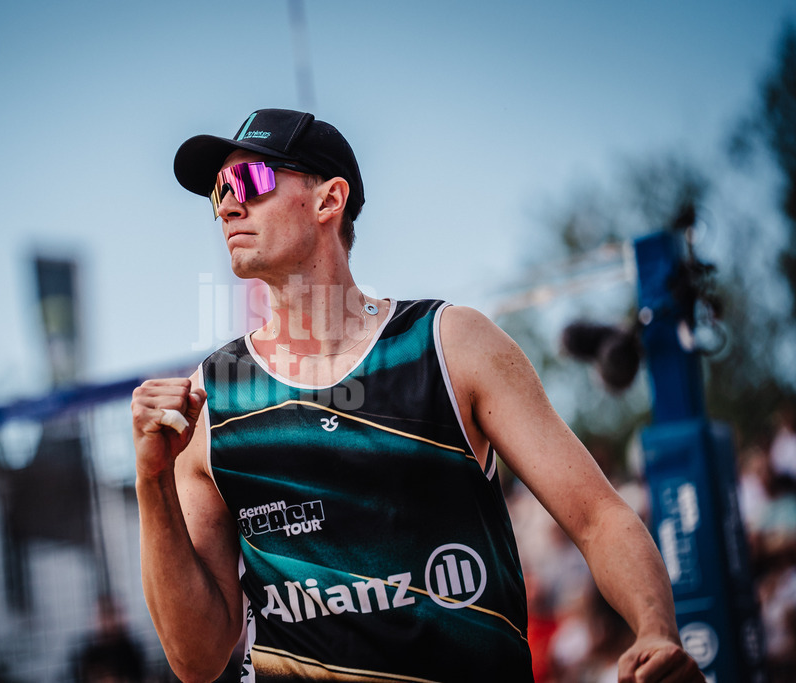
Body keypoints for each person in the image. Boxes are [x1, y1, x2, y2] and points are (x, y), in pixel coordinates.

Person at [131, 108, 703, 682]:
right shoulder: (214, 397)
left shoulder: (449, 344)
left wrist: (656, 631)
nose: (228, 205)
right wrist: (152, 481)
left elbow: (598, 517)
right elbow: (196, 660)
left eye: (249, 182)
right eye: (217, 194)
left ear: (329, 200)